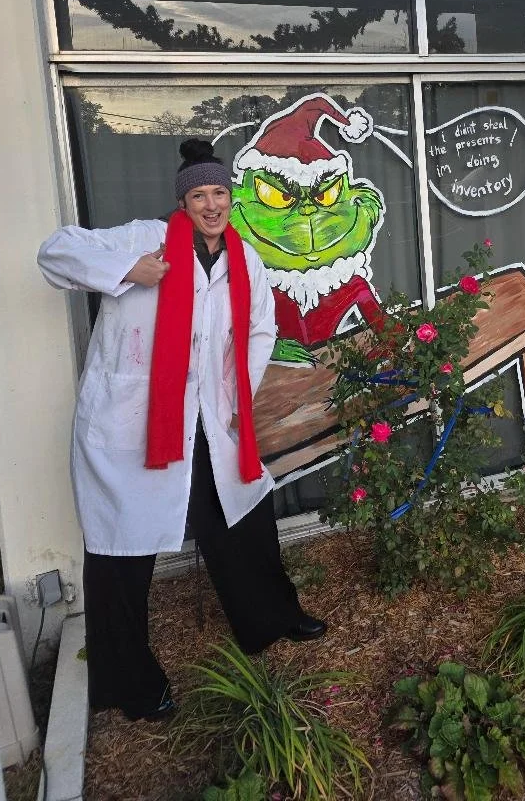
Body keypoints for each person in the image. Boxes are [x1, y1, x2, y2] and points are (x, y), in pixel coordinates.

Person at [37, 138, 326, 721]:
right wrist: (126, 269)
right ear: (184, 201)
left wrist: (236, 387)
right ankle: (130, 682)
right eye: (200, 194)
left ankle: (270, 617)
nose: (212, 204)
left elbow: (261, 329)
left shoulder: (245, 259)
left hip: (212, 418)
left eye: (220, 192)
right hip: (136, 424)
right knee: (122, 553)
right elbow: (54, 254)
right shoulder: (144, 239)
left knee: (243, 515)